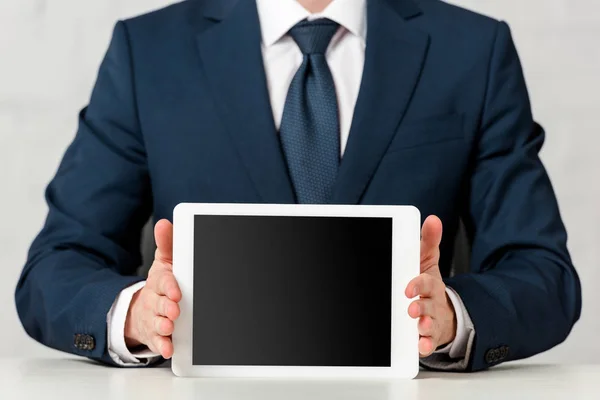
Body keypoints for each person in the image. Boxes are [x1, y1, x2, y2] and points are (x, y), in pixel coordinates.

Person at [15, 0, 581, 372]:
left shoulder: (471, 52)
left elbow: (543, 273)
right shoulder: (150, 51)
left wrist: (452, 315)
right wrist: (136, 313)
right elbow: (56, 264)